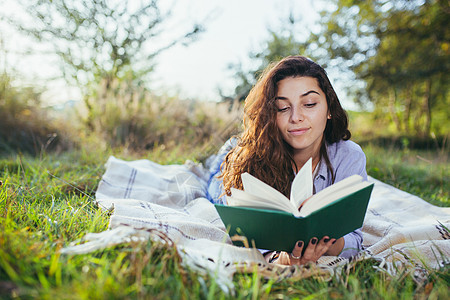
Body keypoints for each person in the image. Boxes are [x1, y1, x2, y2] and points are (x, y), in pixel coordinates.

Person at [206, 55, 367, 265]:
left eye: (309, 104)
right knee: (211, 188)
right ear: (271, 115)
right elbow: (240, 223)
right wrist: (278, 257)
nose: (295, 117)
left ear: (329, 109)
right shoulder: (250, 159)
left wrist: (331, 244)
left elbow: (355, 239)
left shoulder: (349, 156)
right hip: (231, 155)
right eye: (282, 108)